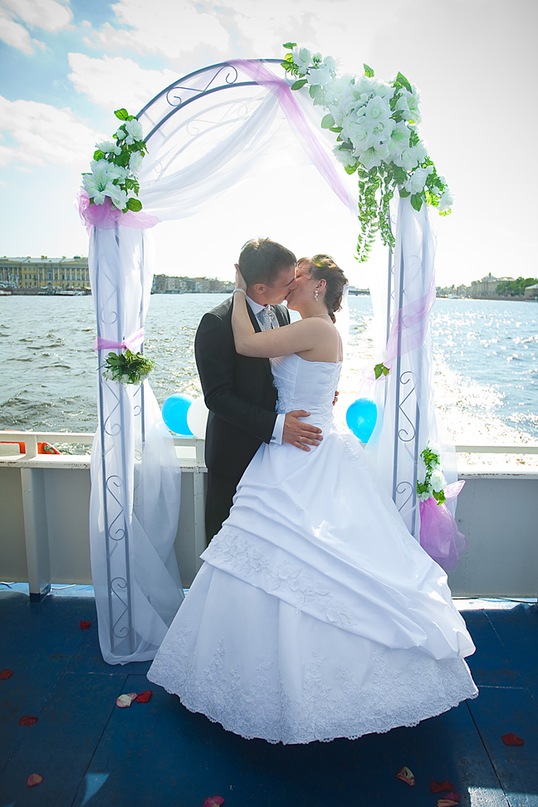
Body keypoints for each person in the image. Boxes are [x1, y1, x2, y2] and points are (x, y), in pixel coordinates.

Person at [148, 253, 478, 745]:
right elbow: (261, 381)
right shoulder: (298, 322)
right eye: (289, 276)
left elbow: (249, 345)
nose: (292, 283)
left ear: (319, 286)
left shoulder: (312, 327)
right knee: (265, 556)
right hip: (286, 444)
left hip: (301, 450)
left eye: (300, 277)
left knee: (305, 556)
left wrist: (239, 288)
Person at [194, 238, 323, 543]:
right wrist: (276, 426)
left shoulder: (281, 313)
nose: (294, 286)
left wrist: (313, 390)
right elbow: (217, 397)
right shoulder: (216, 323)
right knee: (228, 545)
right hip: (235, 456)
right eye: (288, 283)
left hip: (278, 458)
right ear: (261, 288)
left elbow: (280, 373)